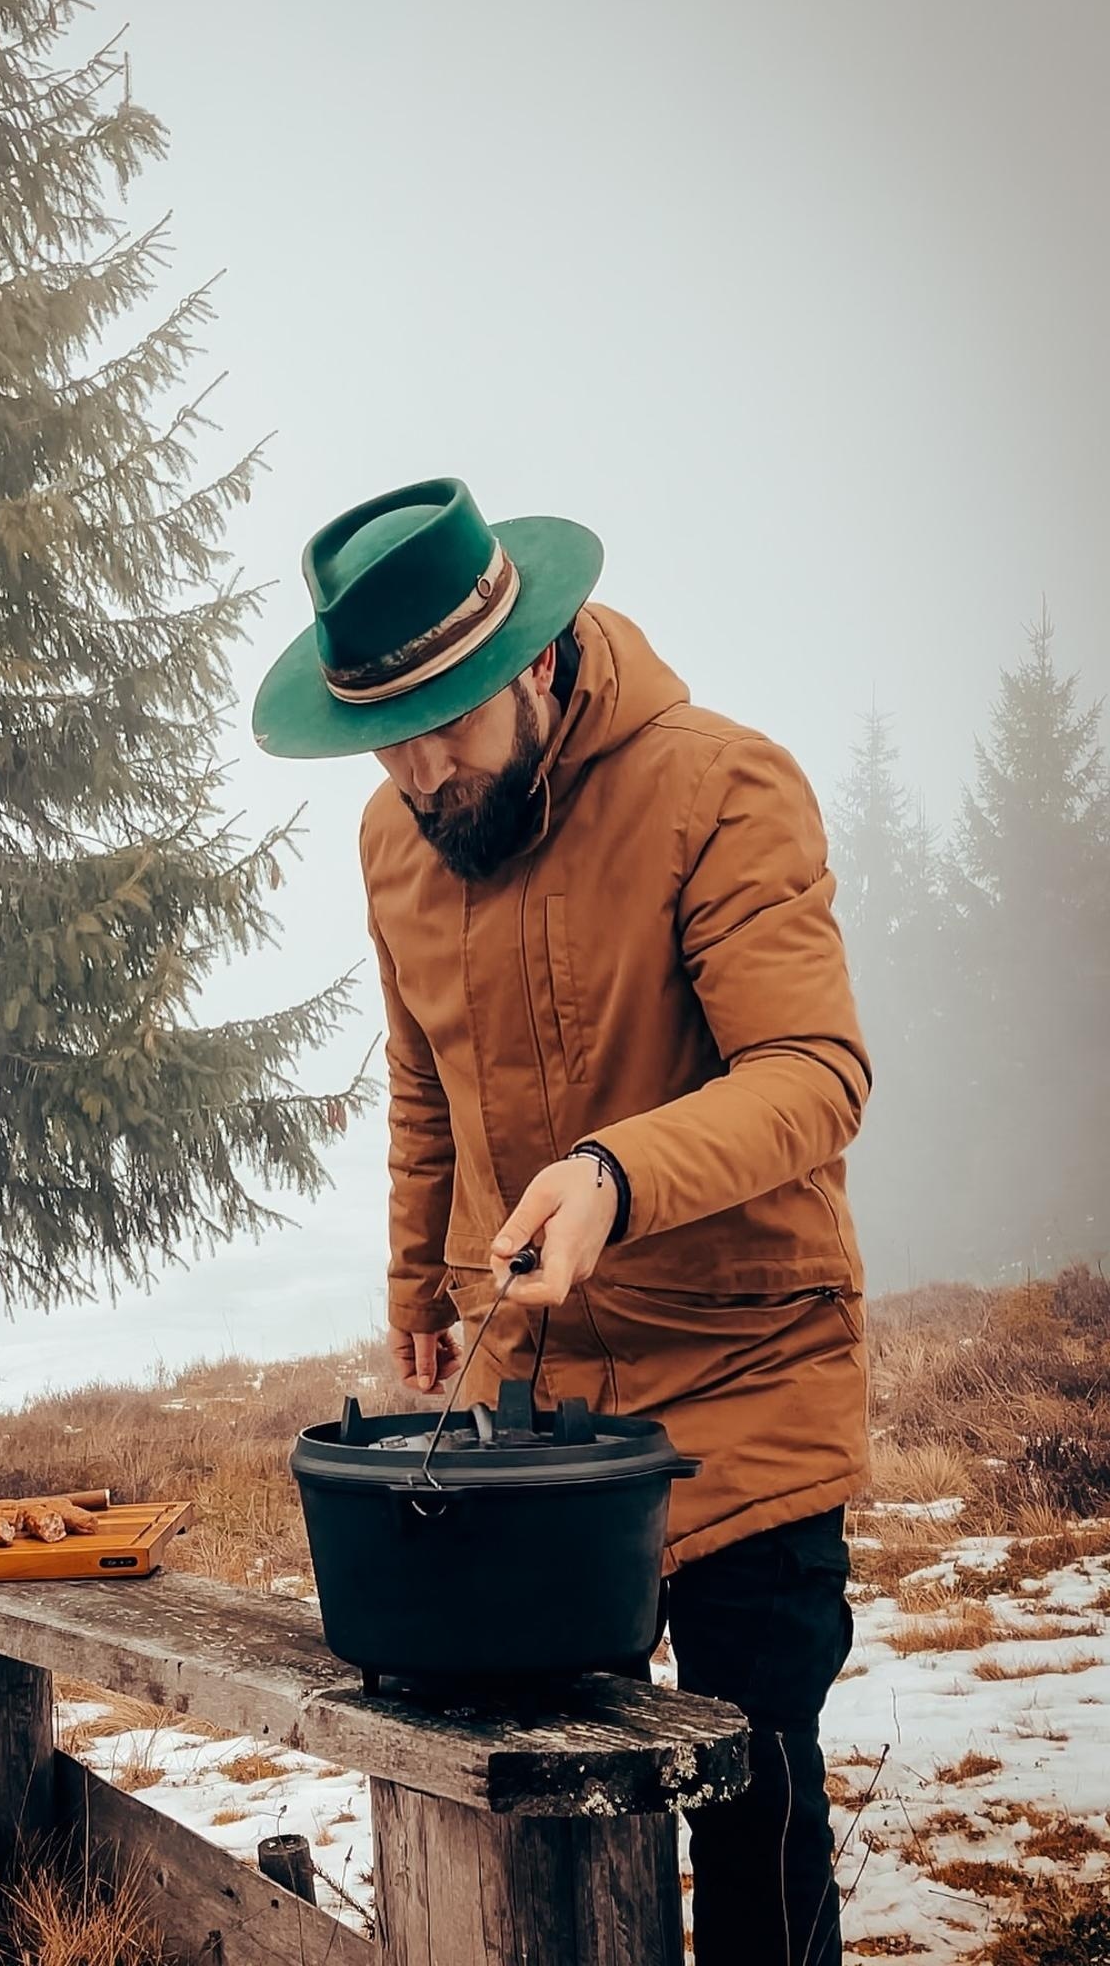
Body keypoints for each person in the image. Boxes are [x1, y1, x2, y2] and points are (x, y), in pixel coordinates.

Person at [252, 477, 870, 1966]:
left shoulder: (723, 786)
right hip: (546, 1428)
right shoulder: (396, 841)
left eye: (444, 727)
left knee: (749, 1808)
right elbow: (420, 1078)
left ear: (533, 660)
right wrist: (421, 1279)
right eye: (383, 737)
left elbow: (816, 1074)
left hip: (745, 1388)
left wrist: (612, 1175)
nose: (415, 773)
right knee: (549, 1803)